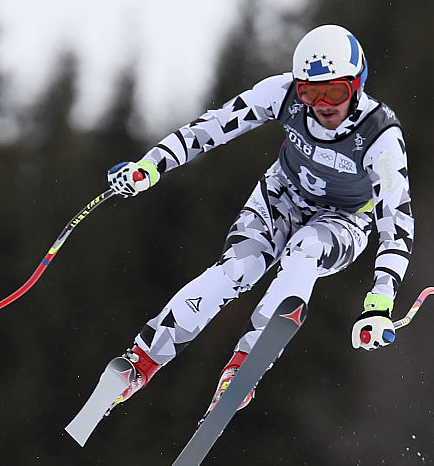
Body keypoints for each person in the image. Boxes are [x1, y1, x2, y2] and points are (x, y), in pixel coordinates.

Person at [100, 24, 413, 416]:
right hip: (282, 195)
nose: (322, 104)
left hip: (345, 221)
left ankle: (244, 367)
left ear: (357, 84)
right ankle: (140, 364)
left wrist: (380, 299)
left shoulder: (380, 134)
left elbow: (396, 223)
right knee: (236, 270)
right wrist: (151, 166)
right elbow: (211, 128)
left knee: (306, 250)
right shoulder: (282, 95)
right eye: (311, 92)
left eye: (334, 91)